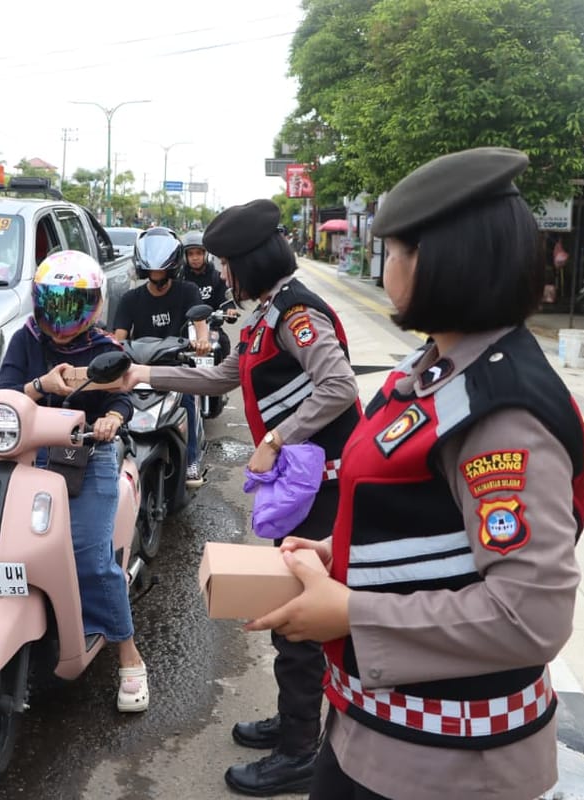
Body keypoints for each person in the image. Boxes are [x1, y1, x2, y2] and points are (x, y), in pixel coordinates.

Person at [246, 147, 584, 800]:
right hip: (371, 731)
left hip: (448, 763)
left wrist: (350, 611)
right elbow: (428, 521)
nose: (386, 268)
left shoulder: (501, 411)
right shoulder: (440, 366)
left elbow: (530, 615)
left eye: (395, 251)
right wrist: (336, 552)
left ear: (442, 261)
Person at [121, 199, 361, 796]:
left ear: (250, 261)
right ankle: (294, 720)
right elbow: (222, 377)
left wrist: (276, 439)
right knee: (290, 605)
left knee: (301, 616)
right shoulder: (265, 313)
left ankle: (300, 749)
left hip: (325, 484)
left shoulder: (297, 312)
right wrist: (142, 375)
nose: (222, 274)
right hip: (305, 483)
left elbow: (339, 384)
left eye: (228, 264)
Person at [0, 250, 149, 713]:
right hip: (23, 454)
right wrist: (42, 388)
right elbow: (5, 397)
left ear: (92, 306)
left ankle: (128, 655)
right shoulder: (25, 340)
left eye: (73, 305)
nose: (61, 317)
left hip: (85, 455)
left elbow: (125, 399)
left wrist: (112, 417)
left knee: (89, 557)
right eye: (53, 303)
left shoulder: (103, 350)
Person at [113, 227, 211, 488]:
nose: (157, 275)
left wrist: (202, 341)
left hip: (176, 367)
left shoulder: (188, 291)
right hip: (138, 369)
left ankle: (191, 459)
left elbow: (200, 323)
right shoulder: (130, 299)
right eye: (152, 270)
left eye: (162, 270)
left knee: (188, 401)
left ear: (172, 267)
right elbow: (118, 336)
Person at [180, 230, 235, 362]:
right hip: (185, 328)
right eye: (191, 254)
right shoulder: (179, 279)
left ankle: (221, 376)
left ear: (206, 254)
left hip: (211, 326)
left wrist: (230, 311)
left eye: (199, 253)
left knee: (223, 343)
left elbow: (225, 302)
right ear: (184, 256)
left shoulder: (216, 277)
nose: (195, 257)